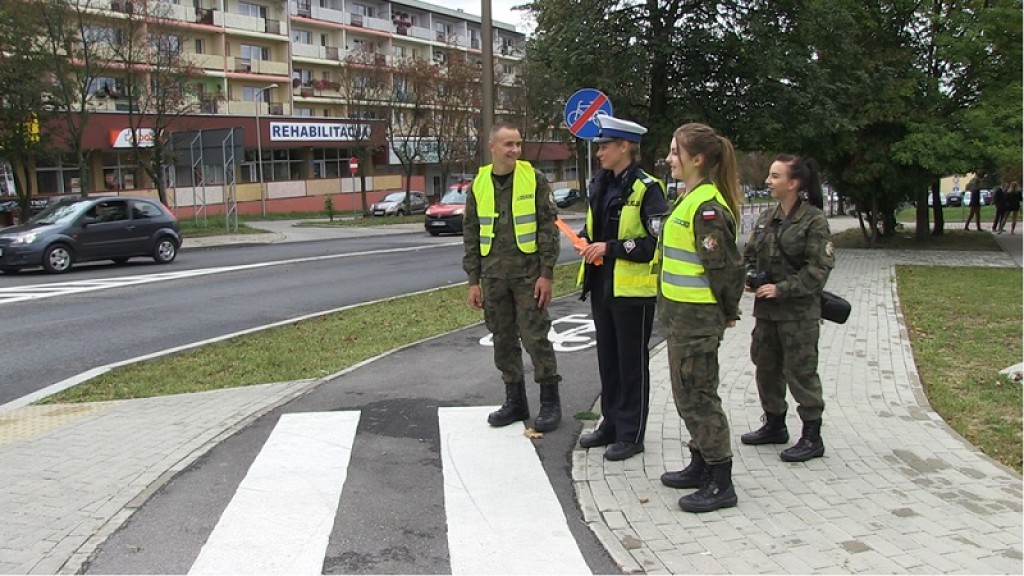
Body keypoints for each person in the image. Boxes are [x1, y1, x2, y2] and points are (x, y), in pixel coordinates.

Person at [657, 123, 745, 513]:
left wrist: (726, 311)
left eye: (676, 152)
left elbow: (726, 270)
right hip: (680, 319)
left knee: (699, 396)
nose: (670, 158)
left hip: (696, 320)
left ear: (698, 159)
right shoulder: (688, 199)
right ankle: (701, 463)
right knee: (685, 393)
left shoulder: (707, 208)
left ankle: (720, 480)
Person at [575, 116, 669, 461]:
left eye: (605, 146)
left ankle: (632, 434)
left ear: (625, 147)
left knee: (632, 364)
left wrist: (609, 248)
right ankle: (610, 423)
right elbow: (595, 227)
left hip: (633, 292)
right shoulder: (600, 183)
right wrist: (585, 240)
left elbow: (653, 244)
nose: (599, 152)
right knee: (609, 361)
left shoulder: (648, 188)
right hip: (601, 284)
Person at [463, 121, 563, 432]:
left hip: (528, 276)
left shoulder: (534, 179)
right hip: (493, 278)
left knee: (535, 338)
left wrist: (546, 274)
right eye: (508, 144)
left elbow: (549, 228)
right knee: (503, 340)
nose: (515, 150)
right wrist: (473, 281)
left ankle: (550, 402)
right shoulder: (478, 184)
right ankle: (515, 401)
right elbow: (471, 234)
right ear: (492, 146)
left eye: (518, 144)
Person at [741, 156, 834, 464]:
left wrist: (783, 289)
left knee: (801, 371)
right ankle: (774, 423)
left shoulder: (813, 220)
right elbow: (751, 253)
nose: (768, 181)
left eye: (775, 176)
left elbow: (818, 268)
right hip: (766, 312)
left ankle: (812, 435)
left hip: (798, 314)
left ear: (793, 184)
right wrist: (751, 277)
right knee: (766, 367)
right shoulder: (767, 216)